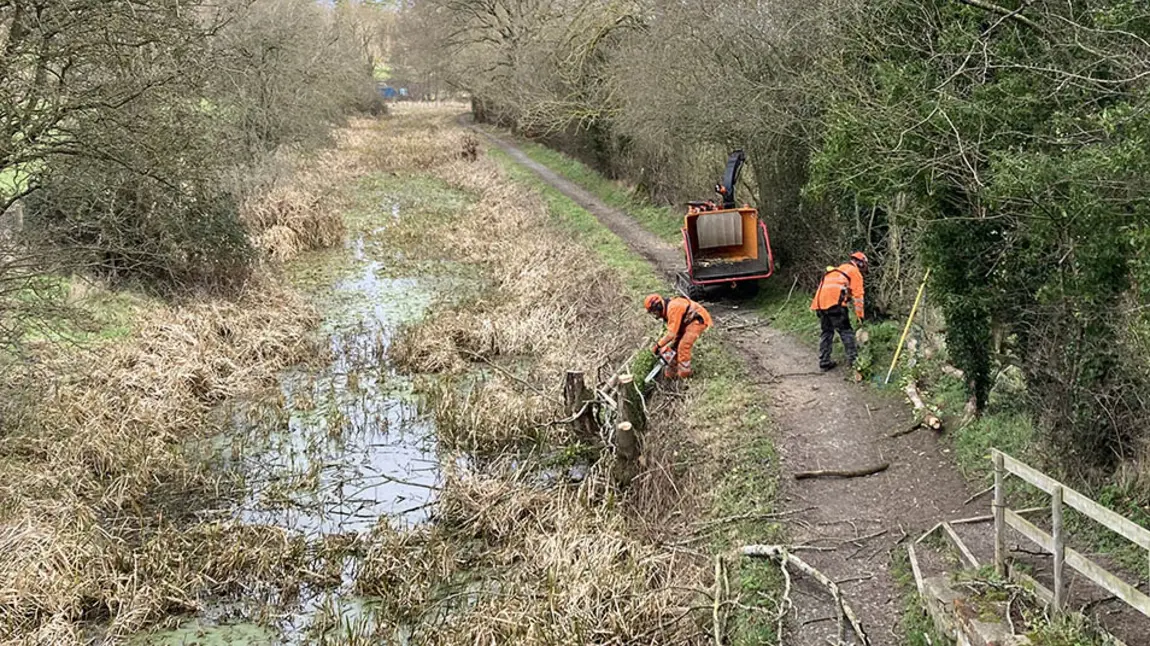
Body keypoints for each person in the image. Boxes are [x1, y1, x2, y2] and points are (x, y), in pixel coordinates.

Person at [810, 251, 868, 372]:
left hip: (820, 304)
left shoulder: (836, 270)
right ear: (861, 264)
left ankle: (824, 361)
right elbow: (858, 297)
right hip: (835, 305)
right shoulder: (854, 272)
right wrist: (860, 316)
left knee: (827, 332)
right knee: (846, 332)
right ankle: (854, 361)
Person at [644, 293, 713, 379]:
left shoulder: (672, 308)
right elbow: (674, 333)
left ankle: (685, 375)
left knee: (683, 346)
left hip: (697, 320)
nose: (654, 314)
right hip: (686, 322)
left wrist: (658, 345)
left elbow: (671, 335)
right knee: (674, 346)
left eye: (654, 311)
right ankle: (671, 374)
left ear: (658, 306)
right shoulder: (668, 309)